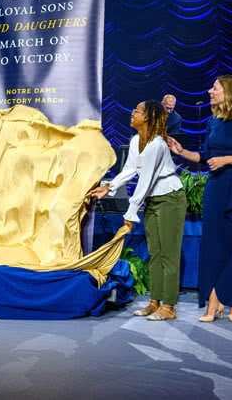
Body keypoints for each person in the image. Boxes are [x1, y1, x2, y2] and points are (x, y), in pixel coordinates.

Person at [167, 75, 232, 322]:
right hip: (216, 186)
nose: (209, 91)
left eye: (215, 88)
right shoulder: (213, 121)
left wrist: (226, 160)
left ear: (230, 92)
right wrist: (181, 152)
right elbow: (205, 156)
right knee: (214, 243)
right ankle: (213, 302)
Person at [89, 100, 187, 321]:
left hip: (170, 198)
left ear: (149, 117)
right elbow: (130, 170)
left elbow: (145, 180)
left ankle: (169, 306)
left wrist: (130, 213)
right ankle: (155, 301)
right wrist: (109, 187)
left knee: (168, 255)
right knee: (155, 253)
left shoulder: (158, 145)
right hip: (153, 199)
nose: (132, 113)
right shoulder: (136, 141)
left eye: (138, 111)